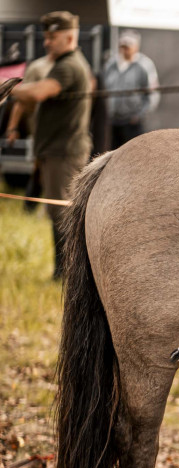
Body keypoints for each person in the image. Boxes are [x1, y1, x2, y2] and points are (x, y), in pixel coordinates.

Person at [8, 11, 92, 279]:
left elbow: (39, 92)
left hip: (64, 152)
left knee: (63, 214)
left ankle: (67, 274)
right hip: (55, 150)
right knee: (56, 211)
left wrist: (6, 88)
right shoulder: (63, 62)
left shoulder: (69, 65)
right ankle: (62, 271)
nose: (47, 42)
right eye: (45, 37)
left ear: (69, 37)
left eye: (53, 37)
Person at [4, 53, 52, 210]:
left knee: (46, 168)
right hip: (41, 129)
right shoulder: (38, 67)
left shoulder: (67, 66)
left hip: (59, 130)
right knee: (40, 166)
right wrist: (12, 127)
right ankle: (32, 205)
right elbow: (22, 101)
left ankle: (35, 205)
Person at [101, 30, 159, 148]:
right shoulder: (111, 65)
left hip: (132, 122)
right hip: (112, 121)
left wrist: (139, 115)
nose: (125, 49)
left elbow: (153, 94)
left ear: (136, 46)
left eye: (128, 46)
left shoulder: (144, 65)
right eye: (123, 45)